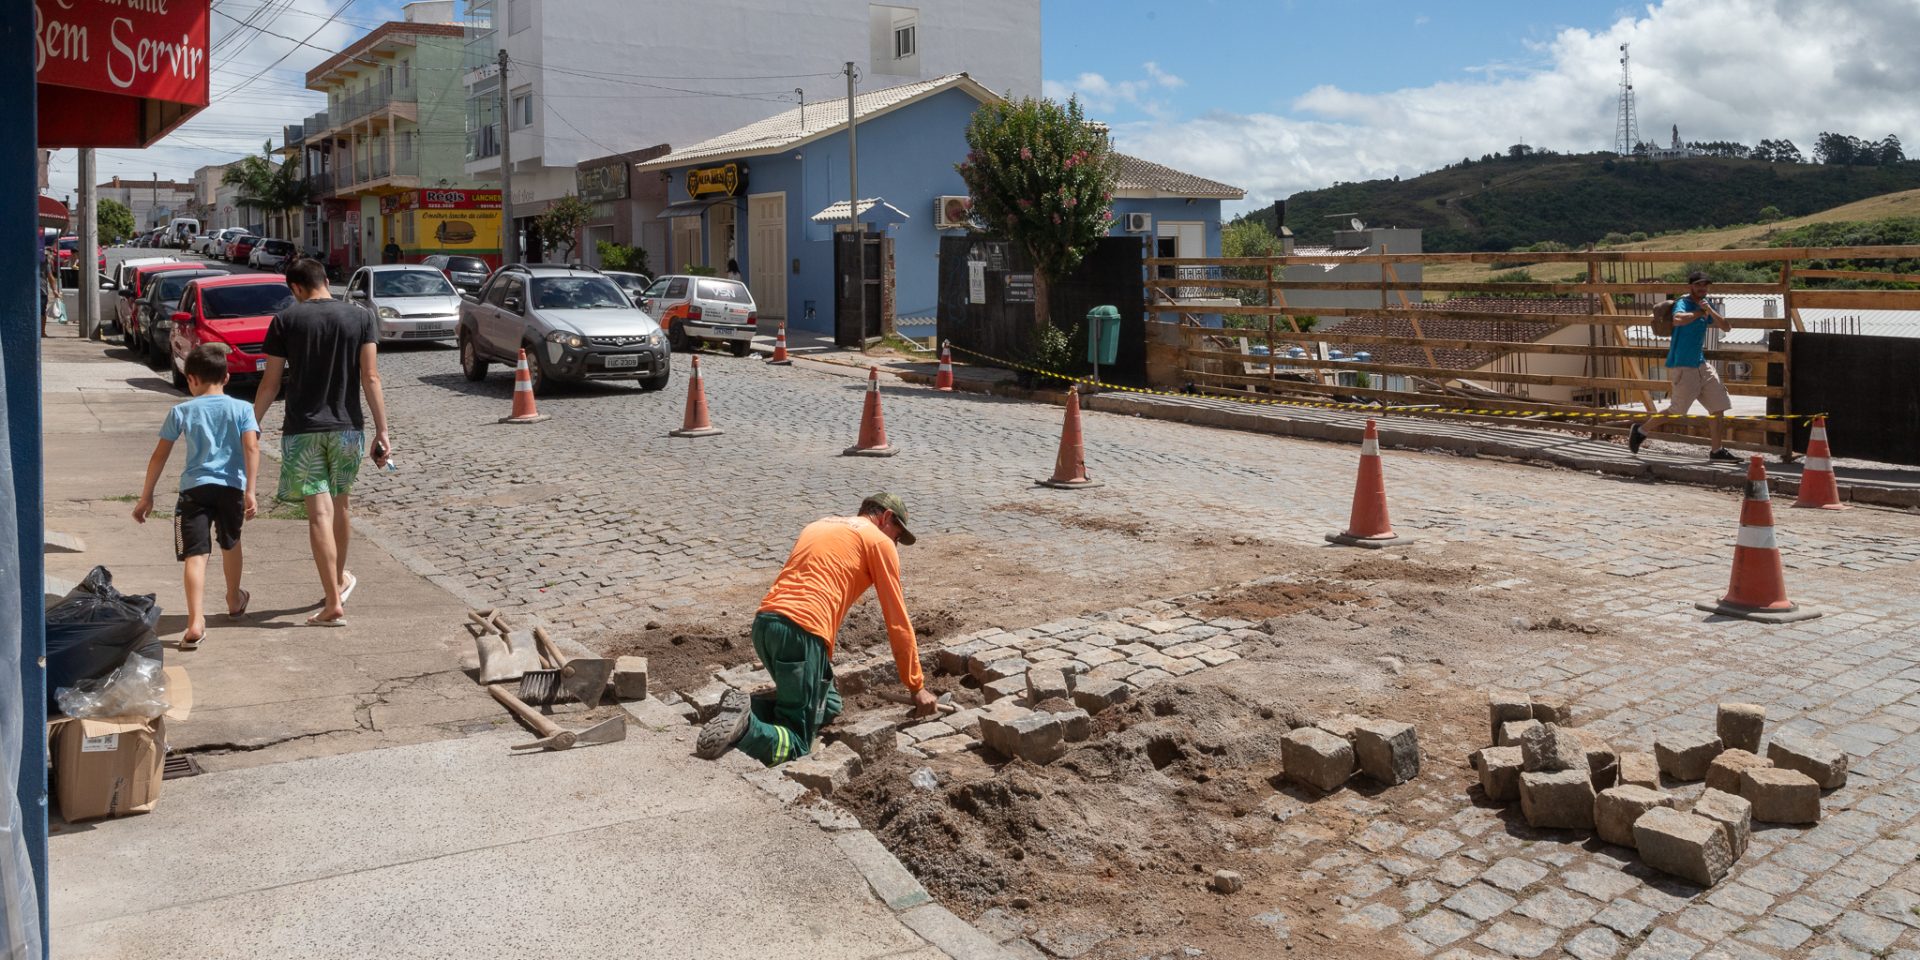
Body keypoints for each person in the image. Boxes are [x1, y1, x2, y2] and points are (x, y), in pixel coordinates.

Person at [697, 493, 937, 763]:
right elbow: (898, 622)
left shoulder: (820, 525)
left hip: (765, 625)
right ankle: (746, 730)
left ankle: (741, 712)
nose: (895, 543)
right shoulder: (880, 542)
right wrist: (917, 687)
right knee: (798, 741)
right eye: (897, 535)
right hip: (802, 634)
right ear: (886, 517)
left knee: (830, 704)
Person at [254, 258, 392, 626]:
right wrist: (383, 430)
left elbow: (271, 383)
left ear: (296, 289)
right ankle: (338, 580)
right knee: (341, 506)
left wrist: (252, 423)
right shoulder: (361, 317)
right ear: (326, 281)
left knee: (318, 513)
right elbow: (371, 377)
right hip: (349, 428)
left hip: (303, 429)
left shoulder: (286, 320)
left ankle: (333, 600)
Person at [133, 344, 260, 650]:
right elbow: (252, 448)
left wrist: (146, 496)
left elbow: (159, 455)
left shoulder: (181, 411)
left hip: (194, 490)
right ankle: (233, 599)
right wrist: (250, 490)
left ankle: (195, 622)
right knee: (231, 542)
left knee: (195, 554)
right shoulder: (242, 409)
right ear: (227, 377)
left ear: (190, 379)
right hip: (231, 488)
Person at [1631, 271, 1736, 462]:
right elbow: (1678, 319)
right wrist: (1699, 312)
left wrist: (1710, 311)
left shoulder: (1707, 304)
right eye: (1698, 285)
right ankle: (1640, 430)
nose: (1702, 288)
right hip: (1683, 366)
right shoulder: (1683, 302)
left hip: (1701, 364)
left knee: (1718, 407)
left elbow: (1727, 327)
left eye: (1705, 285)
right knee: (1676, 411)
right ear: (1691, 286)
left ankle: (1716, 450)